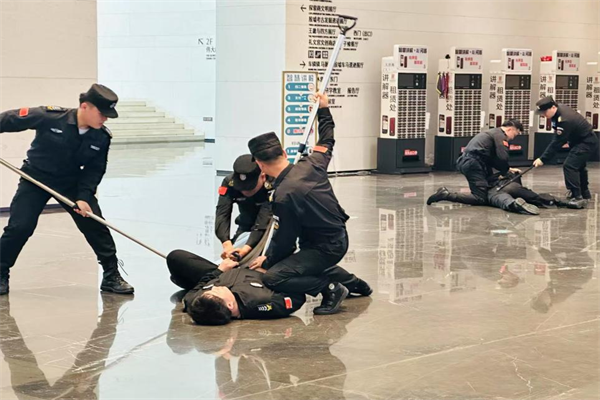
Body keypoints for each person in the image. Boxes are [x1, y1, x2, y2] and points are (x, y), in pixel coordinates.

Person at [0, 84, 133, 295]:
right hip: (36, 178)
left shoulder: (102, 137)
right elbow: (11, 119)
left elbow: (94, 170)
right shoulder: (50, 117)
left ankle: (111, 275)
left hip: (70, 182)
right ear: (85, 106)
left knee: (95, 224)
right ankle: (0, 272)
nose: (105, 119)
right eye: (101, 113)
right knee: (20, 226)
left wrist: (84, 197)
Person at [247, 93, 358, 315]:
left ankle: (331, 289)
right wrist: (323, 109)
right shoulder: (312, 163)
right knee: (297, 263)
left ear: (260, 164)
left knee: (274, 277)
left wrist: (267, 262)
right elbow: (327, 140)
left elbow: (285, 240)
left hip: (323, 248)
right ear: (284, 153)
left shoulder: (283, 196)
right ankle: (358, 285)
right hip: (338, 237)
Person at [166, 249, 372, 325]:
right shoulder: (262, 303)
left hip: (228, 270)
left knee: (176, 257)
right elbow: (295, 299)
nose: (214, 289)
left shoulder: (197, 302)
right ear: (230, 305)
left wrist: (220, 271)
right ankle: (355, 284)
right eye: (216, 292)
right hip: (269, 273)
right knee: (310, 261)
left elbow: (198, 288)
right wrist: (270, 272)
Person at [427, 119, 540, 215]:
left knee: (489, 187)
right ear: (510, 129)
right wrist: (505, 171)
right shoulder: (500, 136)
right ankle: (446, 195)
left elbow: (492, 159)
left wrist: (508, 169)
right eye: (515, 134)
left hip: (473, 162)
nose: (513, 138)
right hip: (473, 164)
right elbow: (502, 157)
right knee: (480, 197)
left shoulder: (493, 133)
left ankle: (506, 199)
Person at [533, 96, 599, 208]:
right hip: (579, 141)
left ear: (553, 107)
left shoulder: (564, 120)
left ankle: (577, 197)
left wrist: (542, 159)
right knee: (579, 167)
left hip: (586, 142)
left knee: (569, 166)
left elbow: (557, 142)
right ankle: (584, 193)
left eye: (544, 112)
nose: (543, 115)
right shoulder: (558, 111)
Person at [216, 154, 272, 261]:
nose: (245, 191)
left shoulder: (272, 184)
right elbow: (222, 214)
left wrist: (245, 250)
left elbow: (263, 219)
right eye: (241, 188)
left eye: (250, 188)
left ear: (263, 176)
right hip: (245, 225)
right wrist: (227, 245)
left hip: (271, 227)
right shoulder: (229, 183)